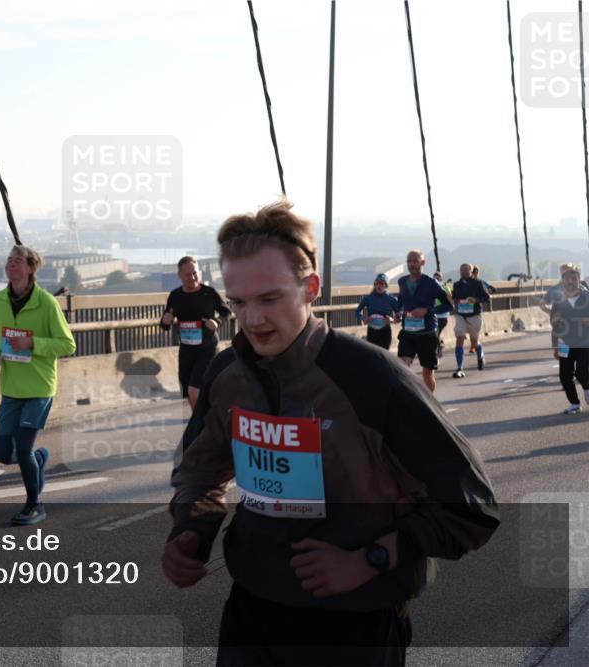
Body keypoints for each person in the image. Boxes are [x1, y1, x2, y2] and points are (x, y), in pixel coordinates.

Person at [162, 200, 499, 666]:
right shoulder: (228, 373)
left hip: (356, 623)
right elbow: (198, 473)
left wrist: (369, 560)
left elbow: (472, 509)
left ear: (311, 288)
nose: (253, 319)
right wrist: (190, 533)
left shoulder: (371, 377)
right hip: (252, 613)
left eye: (269, 298)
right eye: (238, 302)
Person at [0, 246, 76, 525]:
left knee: (22, 448)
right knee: (4, 453)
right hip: (11, 386)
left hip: (38, 388)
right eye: (9, 260)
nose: (11, 264)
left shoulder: (46, 303)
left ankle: (35, 504)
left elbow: (68, 344)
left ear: (31, 269)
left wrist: (33, 343)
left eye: (18, 261)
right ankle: (37, 459)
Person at [160, 256, 231, 408]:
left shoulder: (209, 293)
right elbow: (166, 322)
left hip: (207, 349)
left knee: (194, 391)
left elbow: (227, 313)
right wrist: (165, 321)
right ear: (179, 275)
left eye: (195, 273)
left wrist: (216, 322)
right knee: (189, 394)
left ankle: (201, 425)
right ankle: (201, 422)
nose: (192, 277)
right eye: (187, 275)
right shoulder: (175, 296)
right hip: (186, 351)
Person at [395, 250, 446, 393]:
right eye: (409, 261)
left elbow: (448, 305)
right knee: (402, 367)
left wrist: (427, 310)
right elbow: (401, 301)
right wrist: (398, 313)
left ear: (422, 263)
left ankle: (429, 403)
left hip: (427, 334)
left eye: (415, 261)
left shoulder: (431, 283)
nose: (411, 264)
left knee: (427, 373)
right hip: (408, 333)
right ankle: (409, 397)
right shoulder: (402, 281)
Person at [550, 264, 589, 415]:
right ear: (563, 282)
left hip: (585, 341)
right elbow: (553, 323)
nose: (571, 281)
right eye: (567, 279)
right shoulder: (559, 300)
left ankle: (587, 388)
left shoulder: (587, 297)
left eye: (574, 279)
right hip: (565, 342)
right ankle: (574, 404)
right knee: (565, 375)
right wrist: (554, 345)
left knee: (581, 371)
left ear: (579, 280)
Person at [450, 263, 492, 378]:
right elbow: (454, 298)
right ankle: (460, 368)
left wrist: (476, 300)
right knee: (459, 338)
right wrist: (455, 300)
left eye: (465, 270)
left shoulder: (478, 283)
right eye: (461, 270)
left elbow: (487, 298)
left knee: (474, 342)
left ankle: (480, 355)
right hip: (460, 316)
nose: (463, 272)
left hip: (474, 316)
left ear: (471, 271)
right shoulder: (457, 284)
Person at [354, 273, 400, 350]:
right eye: (377, 283)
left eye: (381, 283)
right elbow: (357, 311)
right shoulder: (368, 298)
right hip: (372, 331)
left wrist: (392, 320)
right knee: (372, 356)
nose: (379, 285)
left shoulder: (392, 300)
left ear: (386, 285)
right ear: (375, 285)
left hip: (385, 331)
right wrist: (364, 319)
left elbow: (399, 315)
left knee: (383, 356)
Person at [433, 271, 453, 358]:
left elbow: (450, 302)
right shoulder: (430, 289)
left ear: (441, 279)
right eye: (435, 278)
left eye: (438, 278)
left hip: (443, 317)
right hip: (434, 316)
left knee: (435, 333)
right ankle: (439, 345)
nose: (436, 280)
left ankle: (438, 350)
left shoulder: (446, 289)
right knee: (435, 334)